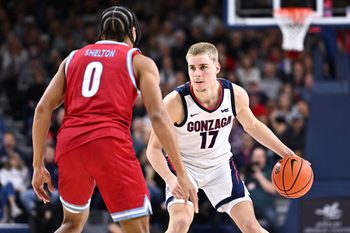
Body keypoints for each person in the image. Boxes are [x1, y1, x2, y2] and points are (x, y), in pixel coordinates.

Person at [31, 6, 198, 233]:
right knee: (137, 228)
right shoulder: (138, 61)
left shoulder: (72, 59)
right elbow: (158, 115)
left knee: (71, 224)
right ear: (133, 32)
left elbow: (42, 109)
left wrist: (38, 165)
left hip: (69, 145)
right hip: (109, 144)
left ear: (101, 33)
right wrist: (181, 172)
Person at [147, 42, 306, 233]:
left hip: (220, 166)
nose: (197, 74)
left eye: (203, 67)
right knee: (180, 223)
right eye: (192, 68)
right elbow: (153, 150)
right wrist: (171, 180)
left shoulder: (235, 95)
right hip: (185, 166)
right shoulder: (174, 102)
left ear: (217, 67)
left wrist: (287, 154)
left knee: (252, 227)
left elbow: (253, 126)